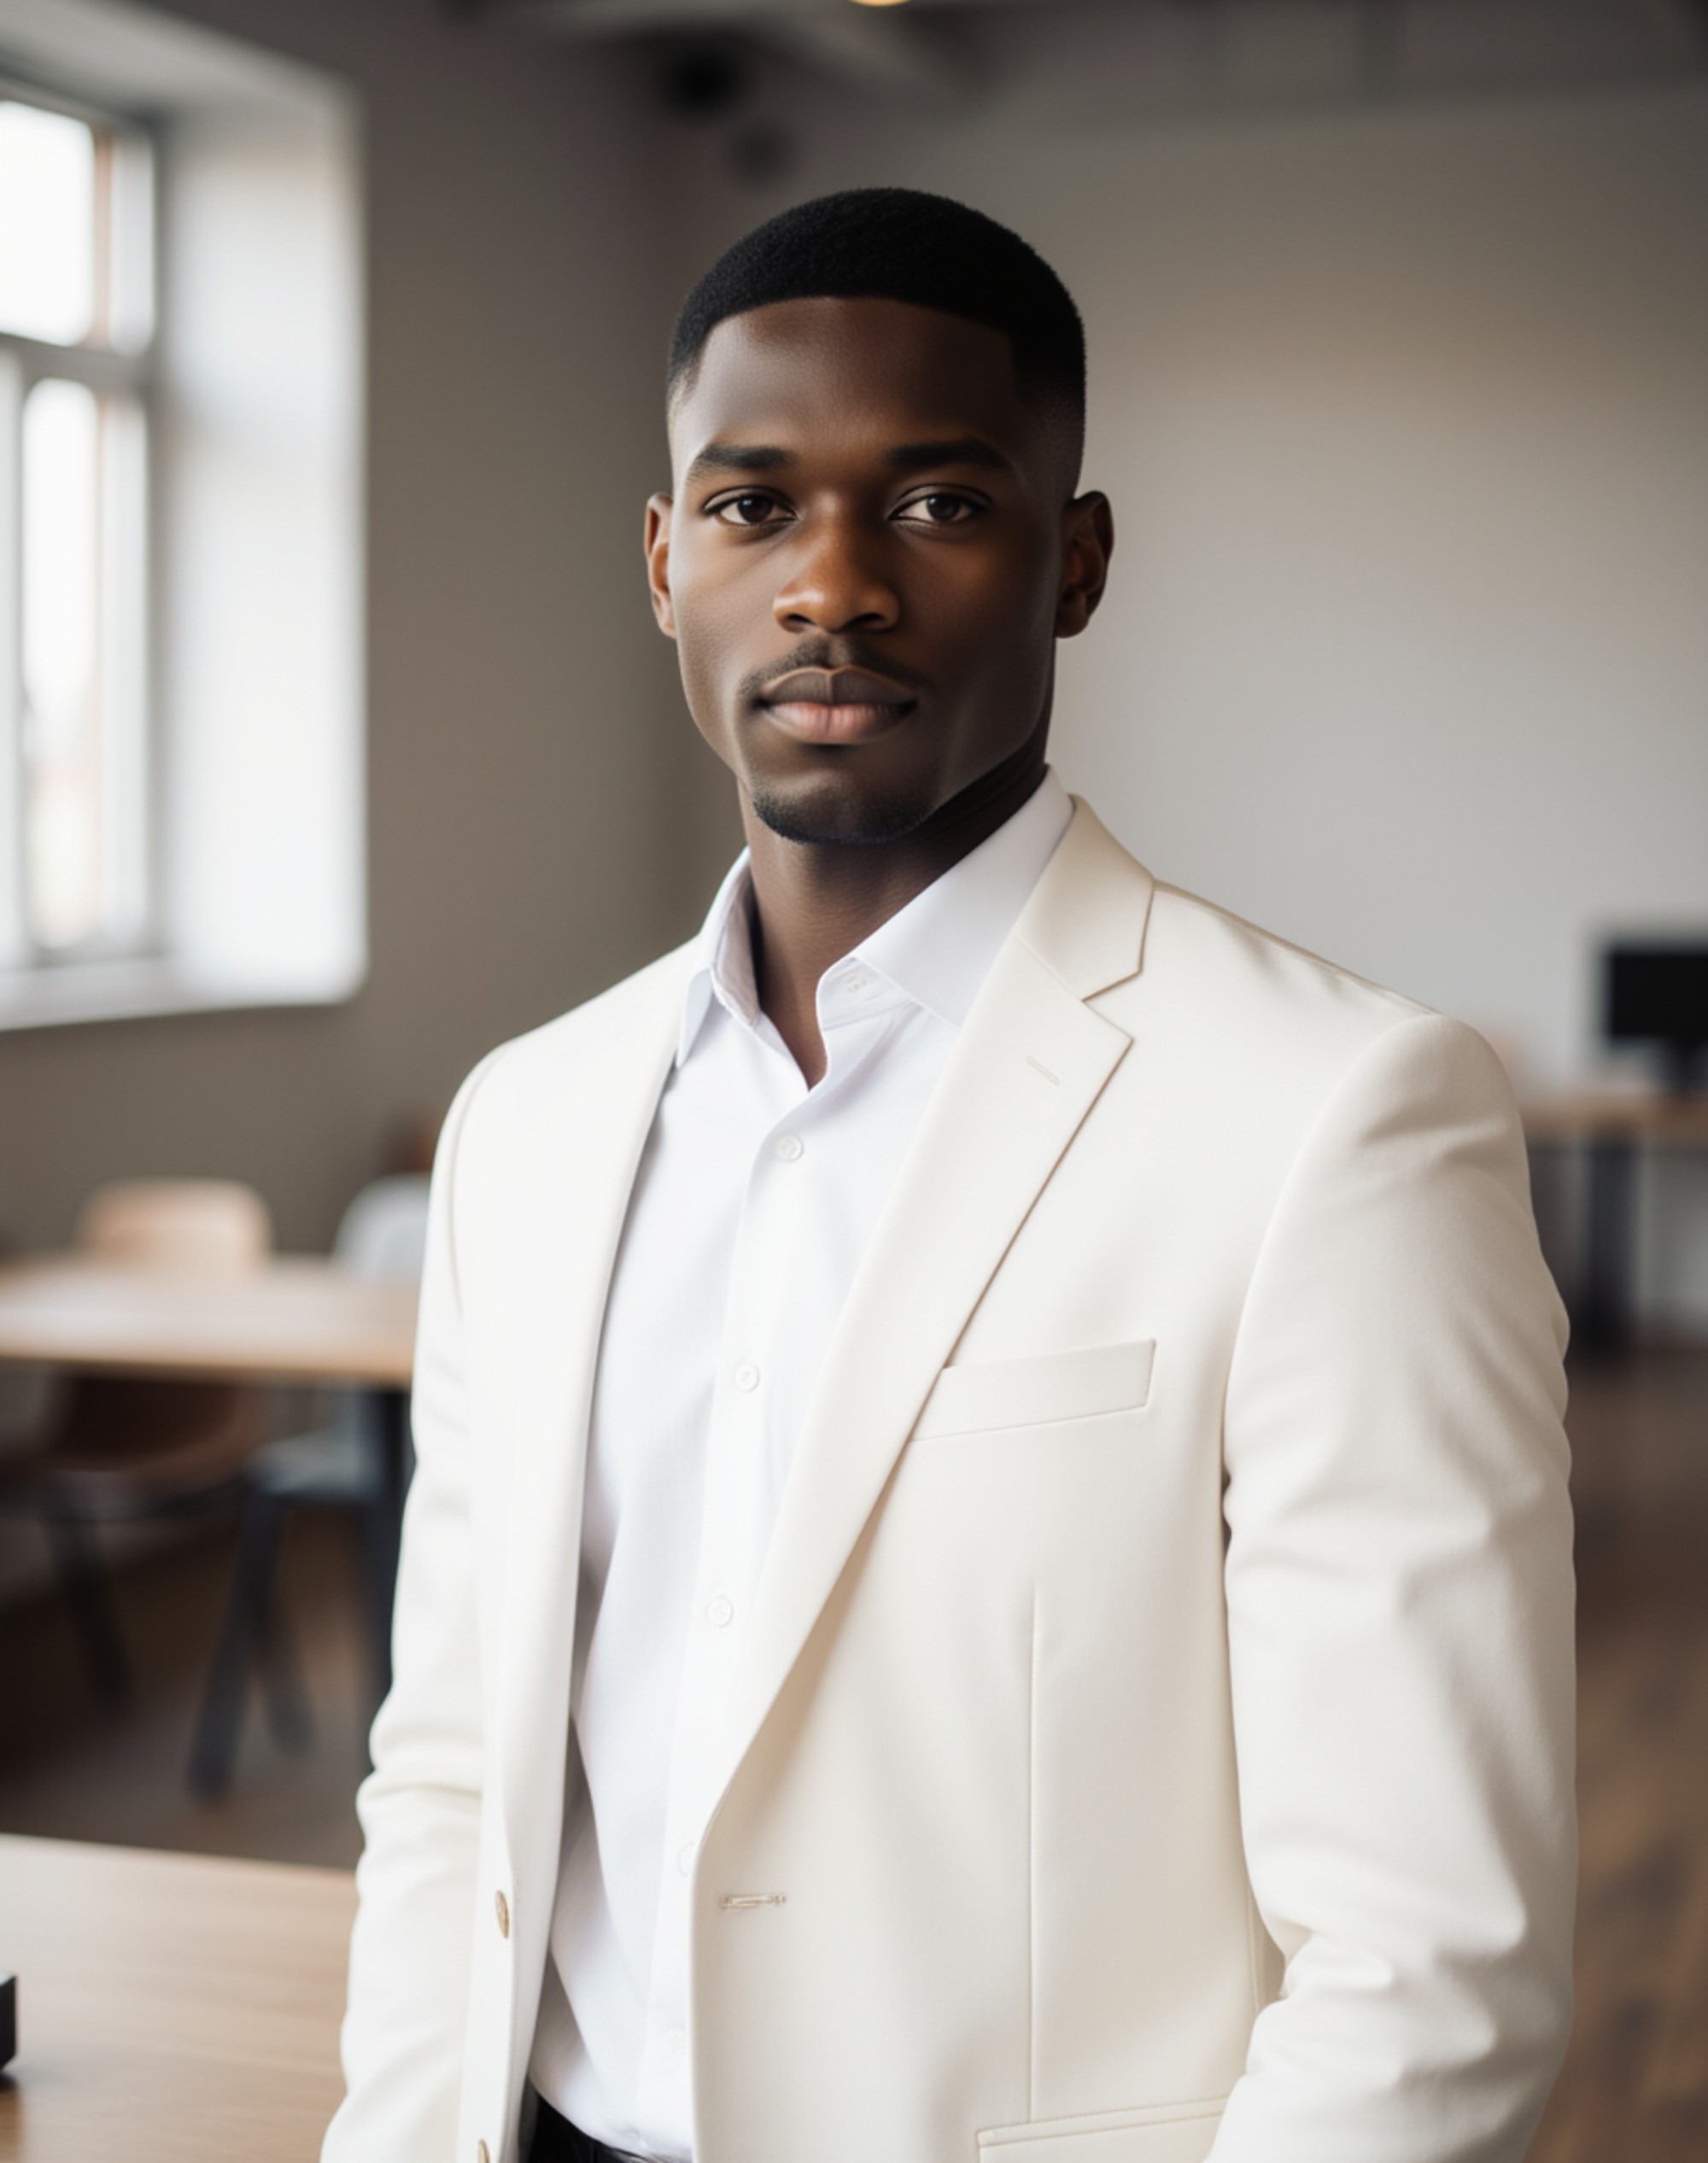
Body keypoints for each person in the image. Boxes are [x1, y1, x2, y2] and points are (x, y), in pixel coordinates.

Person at [323, 189, 1575, 2163]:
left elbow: (1429, 1965)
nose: (830, 585)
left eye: (933, 503)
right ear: (663, 564)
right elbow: (452, 1773)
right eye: (750, 508)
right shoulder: (530, 1122)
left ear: (1073, 562)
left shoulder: (1339, 1115)